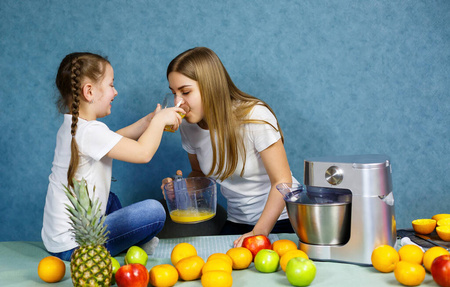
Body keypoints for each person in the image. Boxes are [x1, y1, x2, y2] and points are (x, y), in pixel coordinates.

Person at [42, 52, 185, 261]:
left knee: (110, 199)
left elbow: (115, 140)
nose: (115, 92)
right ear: (89, 91)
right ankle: (133, 242)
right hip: (77, 245)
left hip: (57, 240)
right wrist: (159, 122)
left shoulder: (74, 127)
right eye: (111, 85)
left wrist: (148, 121)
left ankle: (130, 241)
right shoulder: (90, 132)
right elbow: (143, 153)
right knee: (154, 211)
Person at [163, 47, 298, 247]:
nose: (178, 102)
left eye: (185, 92)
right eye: (173, 93)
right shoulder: (188, 126)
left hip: (282, 219)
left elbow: (282, 181)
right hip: (237, 221)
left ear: (211, 86)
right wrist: (181, 188)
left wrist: (259, 233)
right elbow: (200, 173)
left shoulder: (255, 116)